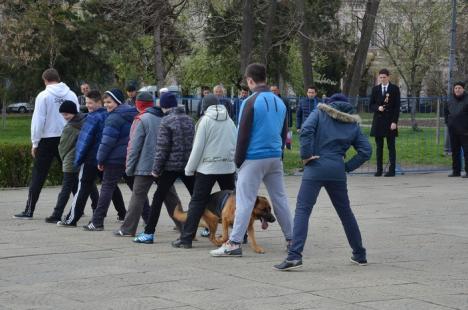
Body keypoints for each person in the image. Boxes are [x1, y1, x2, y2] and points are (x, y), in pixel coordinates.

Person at [273, 94, 371, 271]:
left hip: (315, 166)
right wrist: (347, 166)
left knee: (303, 210)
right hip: (337, 170)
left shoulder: (319, 113)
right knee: (345, 212)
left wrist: (306, 156)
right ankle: (360, 254)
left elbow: (306, 130)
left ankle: (295, 256)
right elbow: (366, 151)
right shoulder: (352, 124)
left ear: (329, 103)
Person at [210, 63, 293, 257]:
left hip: (254, 158)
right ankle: (291, 239)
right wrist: (279, 153)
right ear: (265, 78)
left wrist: (238, 161)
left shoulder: (250, 101)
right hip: (274, 157)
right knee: (280, 199)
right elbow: (284, 132)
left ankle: (234, 243)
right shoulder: (279, 102)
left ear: (249, 80)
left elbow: (243, 135)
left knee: (245, 200)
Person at [172, 94, 237, 249]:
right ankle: (240, 235)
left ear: (203, 107)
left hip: (207, 168)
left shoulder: (205, 121)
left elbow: (198, 148)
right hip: (227, 167)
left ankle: (186, 238)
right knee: (234, 202)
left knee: (197, 202)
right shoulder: (230, 121)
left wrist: (189, 169)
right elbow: (235, 144)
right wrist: (234, 165)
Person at [115, 92, 184, 237]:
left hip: (145, 166)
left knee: (138, 196)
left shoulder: (141, 119)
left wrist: (129, 168)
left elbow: (134, 146)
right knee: (170, 196)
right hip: (165, 165)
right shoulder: (167, 118)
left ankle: (128, 229)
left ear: (138, 105)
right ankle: (184, 226)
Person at [14, 68, 79, 219]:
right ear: (59, 78)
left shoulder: (43, 96)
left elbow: (38, 121)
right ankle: (81, 206)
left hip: (47, 139)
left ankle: (29, 210)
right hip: (68, 136)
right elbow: (77, 116)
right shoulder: (71, 94)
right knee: (72, 174)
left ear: (45, 80)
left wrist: (35, 142)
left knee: (38, 174)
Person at [58, 90, 127, 227]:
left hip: (90, 158)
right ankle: (122, 213)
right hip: (105, 158)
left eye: (90, 103)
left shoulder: (92, 118)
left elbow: (84, 141)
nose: (88, 105)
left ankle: (72, 219)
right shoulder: (109, 115)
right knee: (110, 187)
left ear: (98, 103)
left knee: (83, 188)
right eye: (86, 102)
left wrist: (79, 159)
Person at [134, 92, 195, 244]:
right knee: (198, 197)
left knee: (158, 198)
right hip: (188, 165)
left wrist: (155, 169)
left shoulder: (166, 121)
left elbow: (162, 148)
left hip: (170, 166)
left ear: (162, 105)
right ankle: (204, 227)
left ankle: (149, 233)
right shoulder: (189, 119)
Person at [83, 88, 137, 231]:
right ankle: (148, 217)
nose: (107, 105)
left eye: (110, 102)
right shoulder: (132, 114)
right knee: (137, 190)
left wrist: (100, 160)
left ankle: (97, 221)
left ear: (118, 101)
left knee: (107, 188)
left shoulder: (113, 118)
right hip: (129, 157)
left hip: (114, 159)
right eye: (105, 102)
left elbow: (106, 142)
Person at [45, 101, 86, 223]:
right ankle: (96, 209)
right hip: (82, 160)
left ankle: (57, 214)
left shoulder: (70, 127)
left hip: (70, 160)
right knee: (87, 187)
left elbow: (63, 147)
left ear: (73, 112)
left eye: (67, 114)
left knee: (65, 189)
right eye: (63, 115)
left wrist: (63, 159)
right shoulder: (85, 121)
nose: (65, 117)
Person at [369, 68, 401, 177]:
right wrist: (378, 107)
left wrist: (394, 122)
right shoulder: (375, 89)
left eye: (384, 77)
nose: (382, 79)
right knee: (379, 147)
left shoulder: (394, 89)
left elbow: (397, 107)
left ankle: (392, 170)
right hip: (378, 121)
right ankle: (379, 170)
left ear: (388, 77)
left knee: (391, 146)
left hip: (389, 121)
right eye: (381, 77)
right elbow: (371, 105)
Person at [445, 81, 468, 177]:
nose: (457, 90)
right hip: (453, 129)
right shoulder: (450, 100)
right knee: (455, 151)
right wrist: (448, 123)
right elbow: (446, 113)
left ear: (463, 89)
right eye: (456, 88)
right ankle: (456, 171)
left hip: (465, 130)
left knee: (467, 151)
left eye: (459, 88)